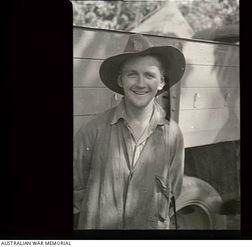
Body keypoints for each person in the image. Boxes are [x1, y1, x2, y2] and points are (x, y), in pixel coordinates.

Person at [73, 33, 186, 229]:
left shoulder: (173, 135)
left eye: (149, 75)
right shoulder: (91, 132)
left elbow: (172, 192)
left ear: (161, 82)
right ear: (120, 80)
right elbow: (77, 192)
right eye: (132, 74)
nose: (140, 83)